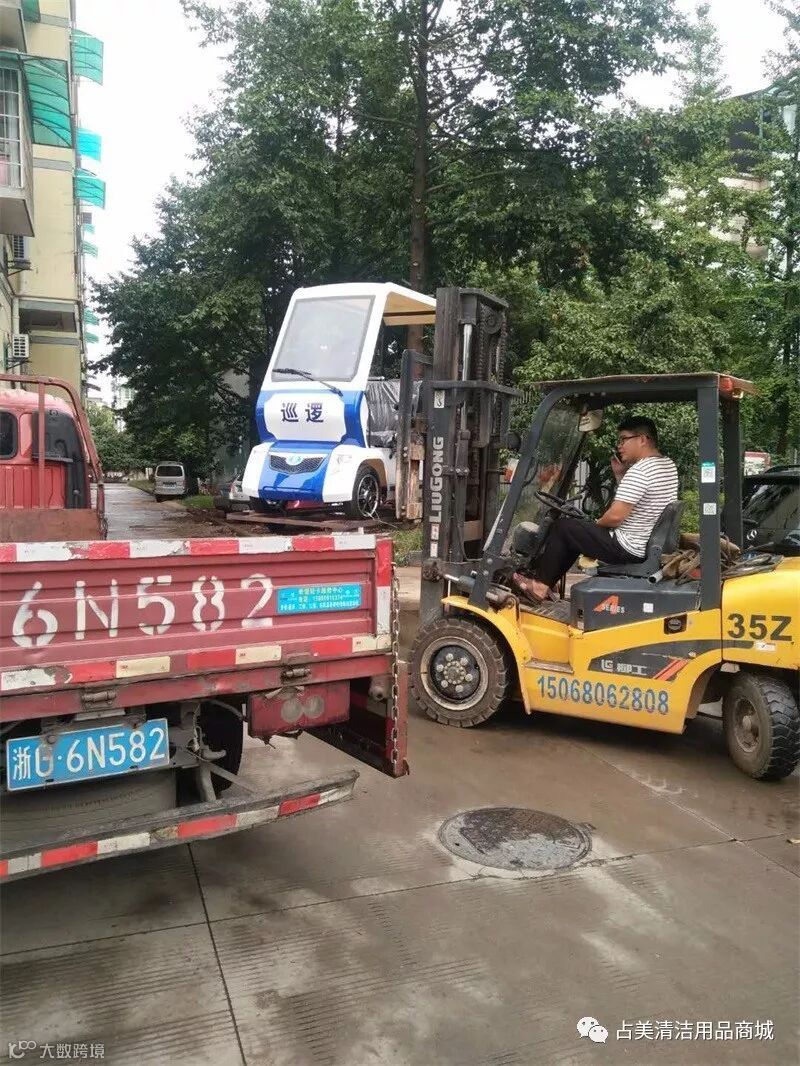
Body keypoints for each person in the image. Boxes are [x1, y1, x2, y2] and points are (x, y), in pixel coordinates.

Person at [513, 416, 679, 602]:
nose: (619, 446)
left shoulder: (640, 471)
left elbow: (615, 517)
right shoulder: (666, 465)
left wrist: (597, 523)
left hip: (628, 547)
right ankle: (548, 581)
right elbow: (642, 499)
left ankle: (539, 585)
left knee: (563, 528)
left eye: (624, 439)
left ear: (642, 439)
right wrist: (620, 475)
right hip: (644, 544)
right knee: (576, 531)